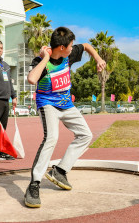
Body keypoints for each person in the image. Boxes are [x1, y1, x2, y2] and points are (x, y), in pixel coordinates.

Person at [24, 27, 106, 208]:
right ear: (61, 47)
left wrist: (99, 59)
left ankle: (59, 171)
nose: (72, 48)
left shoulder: (68, 55)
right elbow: (31, 79)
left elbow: (85, 46)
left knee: (86, 135)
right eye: (69, 46)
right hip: (48, 105)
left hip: (67, 105)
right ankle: (34, 184)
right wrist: (45, 57)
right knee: (51, 138)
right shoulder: (40, 61)